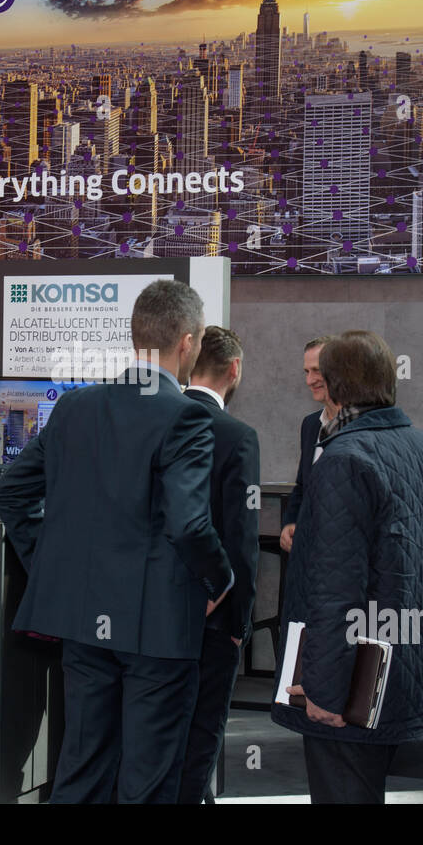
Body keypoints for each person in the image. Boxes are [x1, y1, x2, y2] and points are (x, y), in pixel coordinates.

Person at [0, 280, 235, 803]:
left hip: (82, 621)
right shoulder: (186, 415)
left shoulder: (76, 407)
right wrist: (221, 578)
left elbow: (10, 492)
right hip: (159, 627)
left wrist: (51, 563)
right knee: (148, 779)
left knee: (82, 768)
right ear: (188, 342)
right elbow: (189, 525)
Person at [273, 331, 423, 804]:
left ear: (334, 388)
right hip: (407, 667)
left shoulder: (344, 459)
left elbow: (336, 591)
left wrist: (327, 693)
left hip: (351, 682)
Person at [176, 326, 261, 804]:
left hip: (145, 613)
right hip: (212, 617)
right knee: (203, 732)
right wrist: (237, 623)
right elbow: (241, 542)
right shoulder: (236, 437)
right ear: (234, 370)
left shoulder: (155, 422)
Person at [280, 336, 337, 553]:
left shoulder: (360, 427)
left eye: (317, 370)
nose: (309, 380)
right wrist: (290, 523)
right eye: (306, 372)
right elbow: (302, 486)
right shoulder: (310, 425)